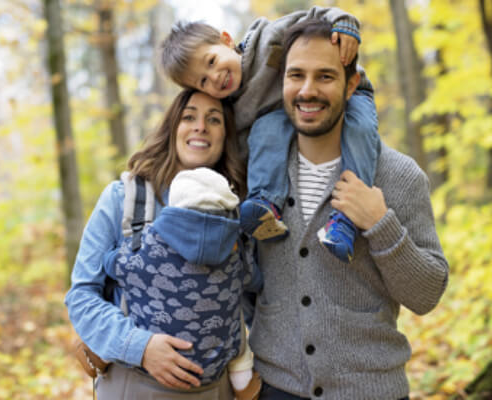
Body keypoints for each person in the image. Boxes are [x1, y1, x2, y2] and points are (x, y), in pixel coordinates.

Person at [244, 18, 449, 400]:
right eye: (296, 75)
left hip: (372, 390)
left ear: (352, 85)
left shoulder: (399, 175)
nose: (307, 91)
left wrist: (379, 224)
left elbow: (427, 295)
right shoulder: (257, 175)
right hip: (274, 389)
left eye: (325, 76)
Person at [65, 89, 263, 400]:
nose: (200, 126)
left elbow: (251, 294)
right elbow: (81, 295)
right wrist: (139, 347)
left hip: (216, 389)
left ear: (226, 137)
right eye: (189, 117)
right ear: (172, 128)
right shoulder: (124, 198)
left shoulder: (238, 210)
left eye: (214, 120)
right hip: (134, 383)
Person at [160, 6, 380, 263]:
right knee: (265, 129)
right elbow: (244, 148)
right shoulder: (235, 108)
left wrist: (343, 25)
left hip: (344, 96)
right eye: (203, 82)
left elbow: (314, 16)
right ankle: (265, 203)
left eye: (211, 62)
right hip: (292, 115)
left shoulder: (268, 39)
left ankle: (346, 219)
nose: (215, 77)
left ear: (227, 40)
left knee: (359, 131)